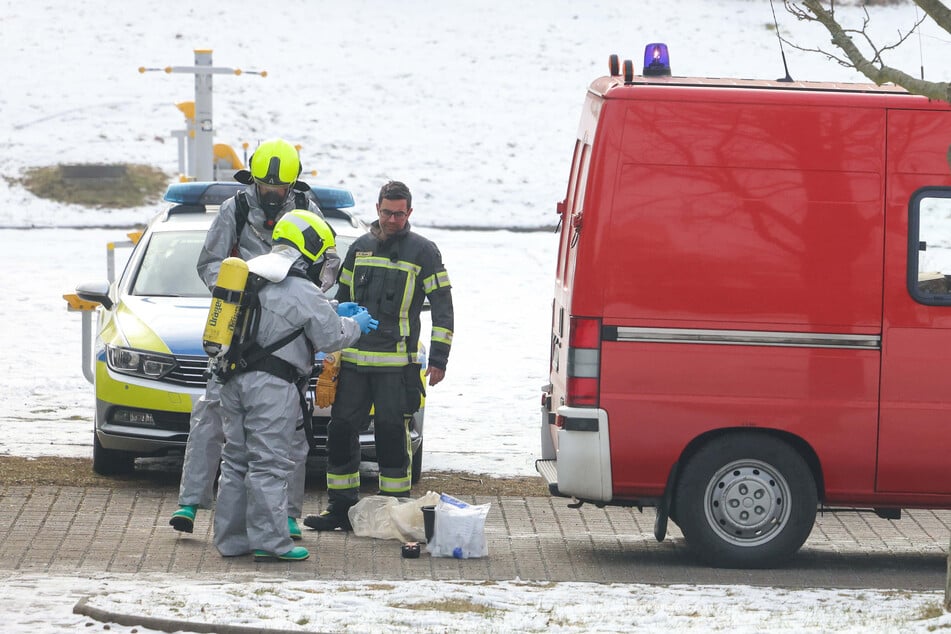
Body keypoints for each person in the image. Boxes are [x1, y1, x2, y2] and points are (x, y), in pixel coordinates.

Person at [169, 138, 339, 538]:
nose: (274, 195)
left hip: (286, 328)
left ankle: (288, 515)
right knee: (210, 413)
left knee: (293, 427)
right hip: (238, 323)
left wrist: (310, 289)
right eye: (267, 187)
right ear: (254, 180)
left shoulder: (306, 209)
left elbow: (329, 259)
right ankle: (190, 503)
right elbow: (209, 262)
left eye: (280, 189)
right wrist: (238, 288)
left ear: (293, 184)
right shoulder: (236, 208)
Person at [212, 209, 377, 560]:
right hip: (272, 387)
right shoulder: (301, 287)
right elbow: (332, 337)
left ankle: (231, 540)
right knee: (269, 465)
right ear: (312, 248)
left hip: (231, 380)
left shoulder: (249, 272)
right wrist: (356, 324)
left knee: (235, 461)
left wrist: (332, 306)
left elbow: (276, 314)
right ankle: (272, 543)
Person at [304, 180, 454, 531]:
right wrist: (332, 347)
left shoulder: (424, 252)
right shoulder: (359, 249)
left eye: (399, 214)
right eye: (387, 212)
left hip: (397, 366)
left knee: (391, 434)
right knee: (340, 430)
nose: (392, 220)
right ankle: (340, 509)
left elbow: (444, 308)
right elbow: (339, 302)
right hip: (354, 362)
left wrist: (440, 359)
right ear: (377, 209)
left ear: (409, 213)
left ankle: (395, 512)